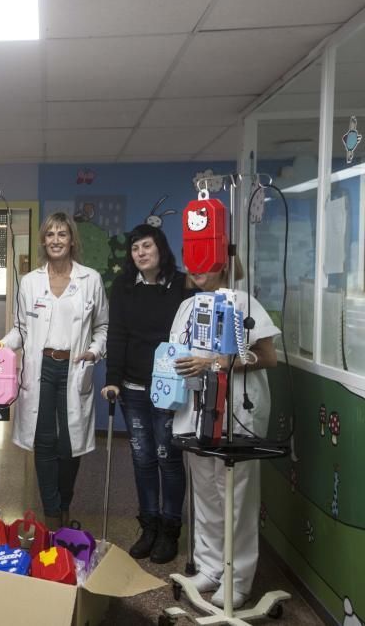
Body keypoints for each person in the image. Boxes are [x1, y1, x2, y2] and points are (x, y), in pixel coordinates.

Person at [0, 212, 108, 531]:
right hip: (41, 369)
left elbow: (103, 327)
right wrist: (1, 344)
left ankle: (64, 505)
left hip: (74, 366)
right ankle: (53, 516)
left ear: (71, 240)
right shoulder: (30, 282)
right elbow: (21, 330)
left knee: (69, 444)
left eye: (62, 234)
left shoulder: (90, 280)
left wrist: (94, 352)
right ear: (43, 241)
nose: (55, 240)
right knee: (44, 441)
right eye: (50, 234)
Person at [169, 259, 279, 608]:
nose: (197, 269)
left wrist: (215, 362)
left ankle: (238, 578)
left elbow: (268, 356)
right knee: (204, 494)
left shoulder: (243, 302)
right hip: (196, 412)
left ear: (223, 263)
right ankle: (210, 566)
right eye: (192, 261)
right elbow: (177, 354)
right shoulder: (187, 306)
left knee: (236, 496)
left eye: (206, 261)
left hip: (237, 413)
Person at [100, 224, 190, 564]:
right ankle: (148, 526)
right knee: (142, 459)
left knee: (168, 458)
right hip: (134, 388)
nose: (140, 252)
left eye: (146, 245)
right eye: (135, 247)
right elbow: (117, 335)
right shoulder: (123, 288)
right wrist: (112, 379)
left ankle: (170, 529)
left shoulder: (182, 284)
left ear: (160, 248)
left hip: (170, 389)